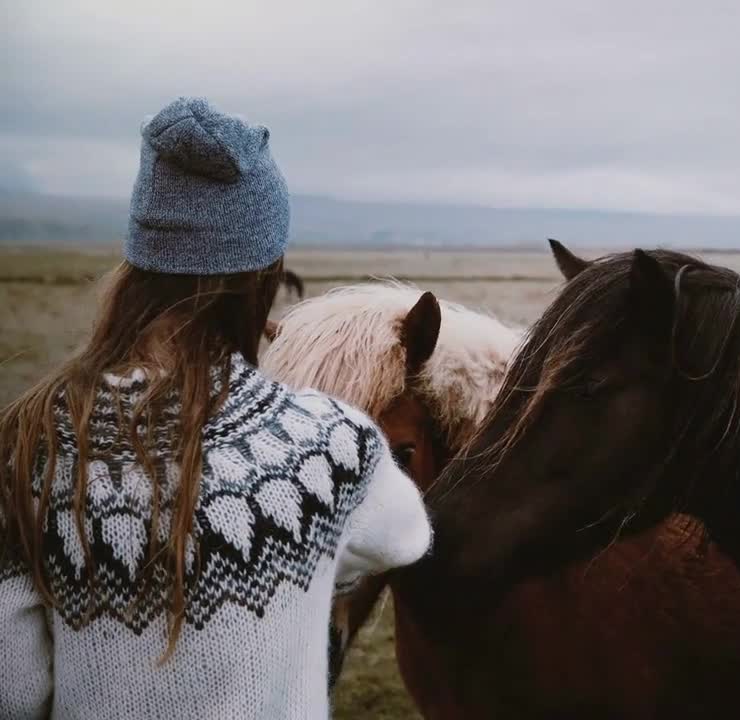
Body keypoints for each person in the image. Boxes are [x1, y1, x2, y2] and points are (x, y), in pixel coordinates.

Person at [0, 97, 433, 718]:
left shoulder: (28, 444)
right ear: (264, 274)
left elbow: (12, 687)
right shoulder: (331, 445)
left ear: (139, 264)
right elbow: (405, 538)